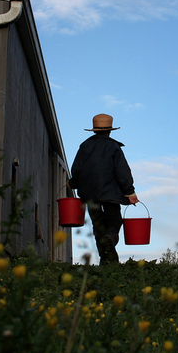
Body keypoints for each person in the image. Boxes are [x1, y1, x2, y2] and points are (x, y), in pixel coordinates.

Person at [68, 114, 138, 266]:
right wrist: (130, 192)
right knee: (114, 222)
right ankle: (110, 239)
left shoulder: (84, 146)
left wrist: (72, 183)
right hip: (110, 195)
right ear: (110, 131)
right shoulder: (113, 147)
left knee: (98, 225)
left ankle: (106, 261)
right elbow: (123, 172)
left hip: (90, 194)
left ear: (94, 130)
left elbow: (76, 170)